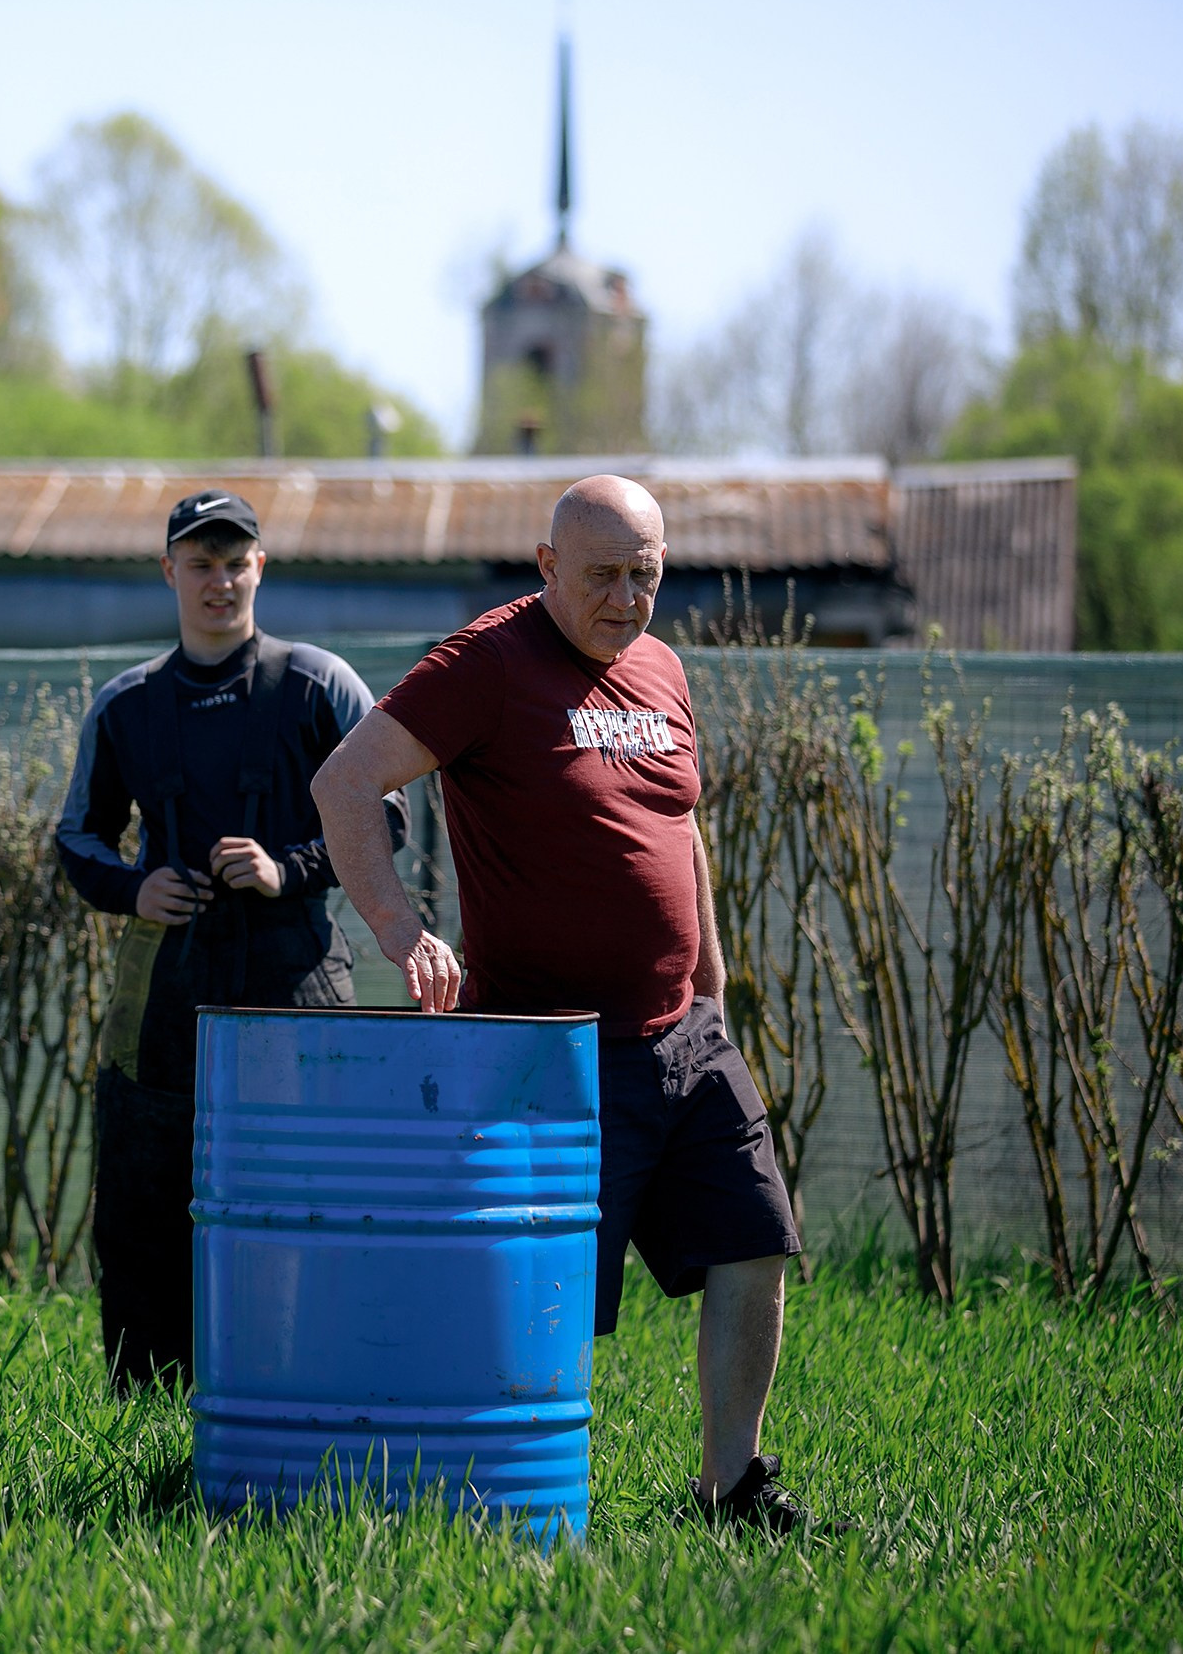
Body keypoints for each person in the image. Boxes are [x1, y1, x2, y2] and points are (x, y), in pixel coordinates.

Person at [311, 472, 817, 1531]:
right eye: (602, 576)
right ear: (546, 567)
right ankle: (492, 1494)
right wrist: (404, 935)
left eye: (645, 575)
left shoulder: (665, 669)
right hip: (554, 1053)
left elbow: (681, 834)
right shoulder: (487, 664)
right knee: (541, 1306)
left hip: (687, 1034)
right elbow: (345, 783)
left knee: (755, 1240)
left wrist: (714, 991)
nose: (628, 600)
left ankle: (730, 1489)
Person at [55, 489, 402, 1392]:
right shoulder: (125, 703)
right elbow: (75, 840)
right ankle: (144, 1411)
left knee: (306, 1192)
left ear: (262, 566)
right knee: (141, 1201)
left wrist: (289, 867)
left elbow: (389, 814)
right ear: (169, 571)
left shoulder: (320, 684)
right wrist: (139, 888)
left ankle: (306, 1389)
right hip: (162, 989)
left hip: (298, 979)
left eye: (234, 561)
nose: (218, 580)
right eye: (199, 563)